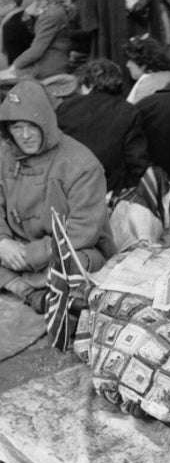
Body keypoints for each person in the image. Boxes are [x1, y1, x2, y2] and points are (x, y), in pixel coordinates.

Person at [0, 80, 116, 313]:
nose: (25, 136)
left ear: (47, 123)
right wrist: (2, 242)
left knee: (76, 265)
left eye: (32, 127)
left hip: (67, 250)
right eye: (17, 127)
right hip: (15, 247)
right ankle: (31, 293)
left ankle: (20, 285)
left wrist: (31, 255)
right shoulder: (5, 155)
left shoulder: (81, 164)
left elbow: (83, 230)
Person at [56, 58, 151, 195]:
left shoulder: (66, 107)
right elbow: (136, 159)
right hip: (110, 190)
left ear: (88, 83)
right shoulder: (128, 111)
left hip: (71, 186)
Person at [0, 0, 70, 81]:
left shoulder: (50, 15)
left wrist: (14, 67)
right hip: (46, 61)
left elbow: (37, 50)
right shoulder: (52, 10)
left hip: (50, 65)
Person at [123, 36, 170, 104]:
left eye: (131, 60)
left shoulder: (146, 83)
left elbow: (132, 112)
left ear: (143, 63)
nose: (127, 64)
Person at [0, 0, 33, 68]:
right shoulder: (29, 16)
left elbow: (12, 57)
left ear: (12, 4)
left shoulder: (9, 26)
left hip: (22, 68)